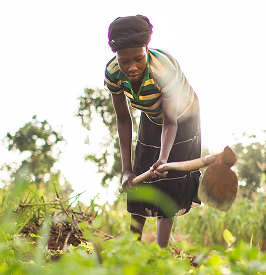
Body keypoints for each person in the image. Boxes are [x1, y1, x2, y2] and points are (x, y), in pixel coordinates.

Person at [104, 15, 202, 248]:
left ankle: (160, 252)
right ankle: (133, 247)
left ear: (146, 49)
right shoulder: (113, 72)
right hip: (151, 113)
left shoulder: (163, 69)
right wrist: (126, 171)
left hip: (182, 117)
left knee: (168, 182)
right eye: (124, 60)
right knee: (139, 176)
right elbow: (123, 120)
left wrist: (163, 160)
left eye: (138, 58)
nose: (132, 67)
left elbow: (170, 122)